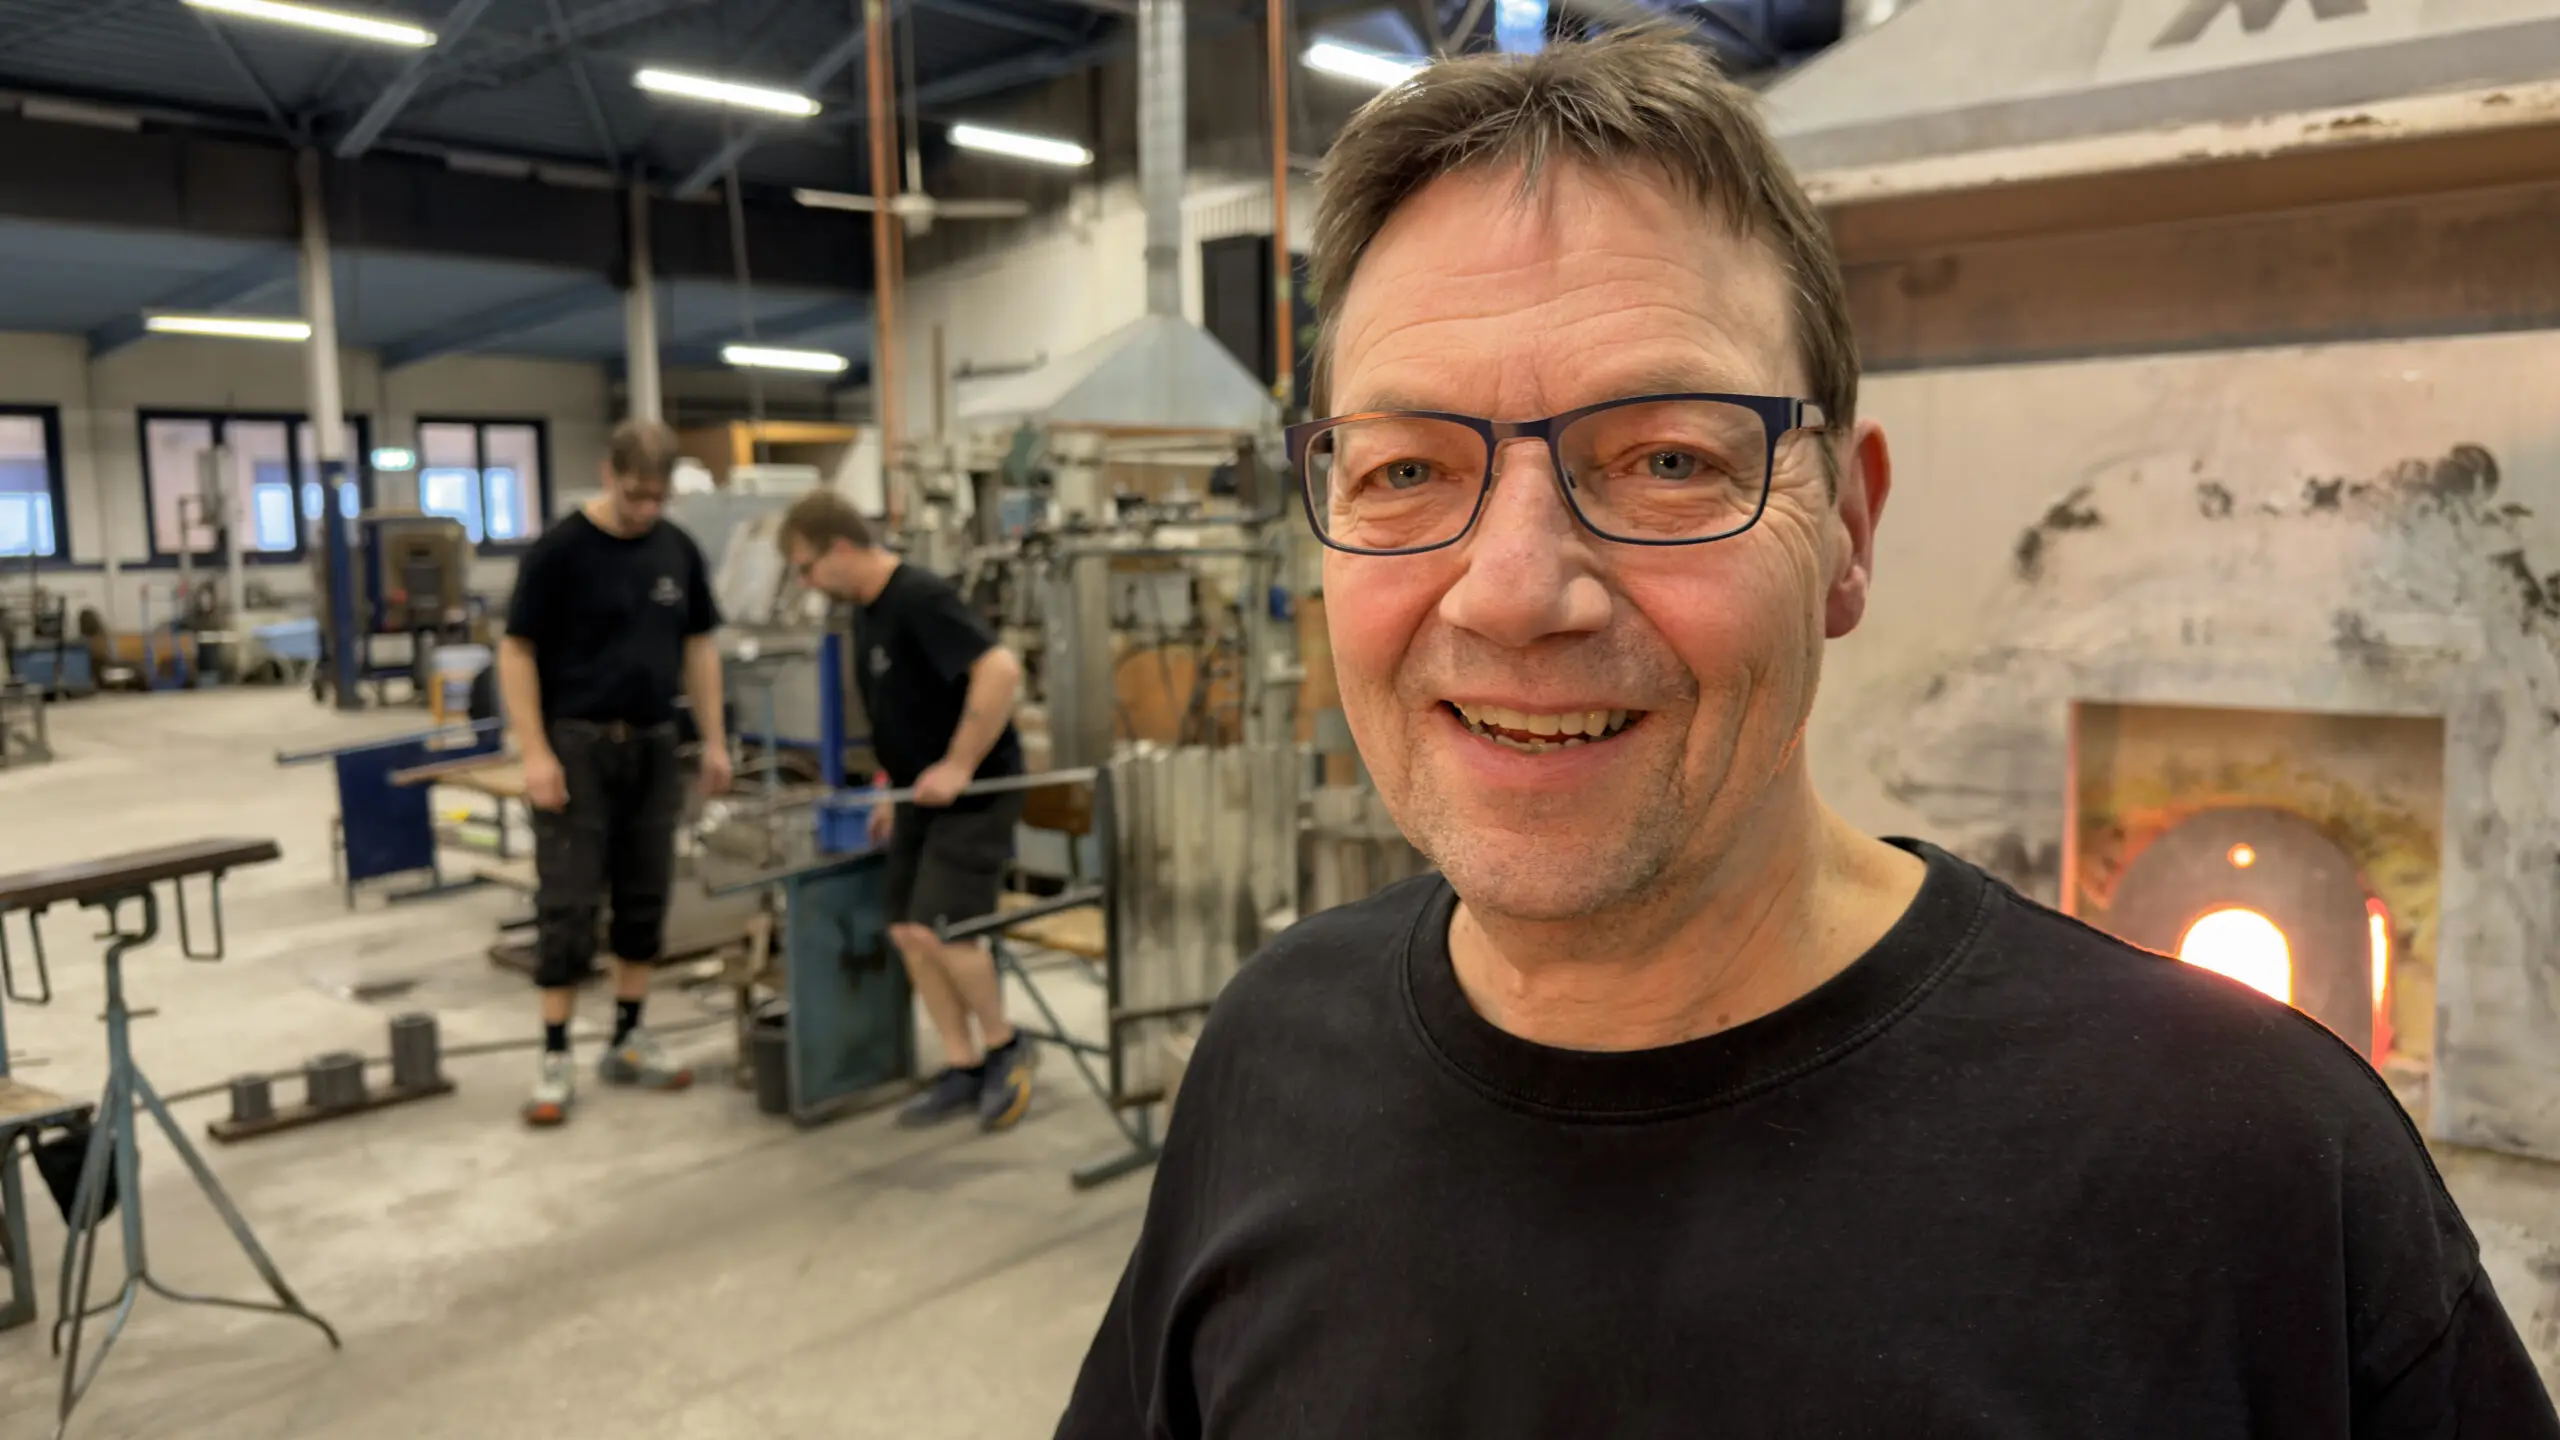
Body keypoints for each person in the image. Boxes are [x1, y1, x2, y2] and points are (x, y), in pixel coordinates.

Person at [1056, 32, 2560, 1439]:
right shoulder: (1271, 1050)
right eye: (1403, 470)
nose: (1513, 592)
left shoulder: (2258, 1167)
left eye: (1664, 459)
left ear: (1847, 530)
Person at [777, 489, 1037, 1132]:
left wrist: (959, 765)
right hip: (918, 795)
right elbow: (904, 708)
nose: (807, 582)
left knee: (944, 929)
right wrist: (891, 784)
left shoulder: (919, 596)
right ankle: (961, 1065)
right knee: (904, 929)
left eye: (807, 567)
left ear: (841, 548)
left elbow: (1000, 670)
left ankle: (1005, 1048)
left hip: (976, 792)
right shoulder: (865, 614)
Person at [499, 419, 731, 1128]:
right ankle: (555, 1053)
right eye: (635, 495)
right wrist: (535, 752)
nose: (646, 510)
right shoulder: (560, 552)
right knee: (569, 901)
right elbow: (516, 652)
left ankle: (627, 1036)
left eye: (658, 497)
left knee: (644, 894)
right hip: (577, 745)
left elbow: (699, 647)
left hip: (655, 745)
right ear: (608, 474)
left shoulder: (676, 550)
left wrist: (716, 741)